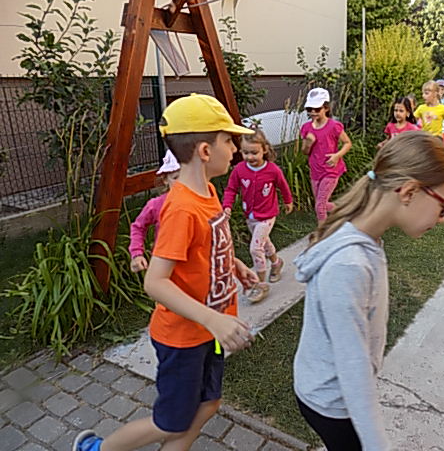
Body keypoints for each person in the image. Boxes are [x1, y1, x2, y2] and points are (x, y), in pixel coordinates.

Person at [73, 94, 259, 451]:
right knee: (170, 422)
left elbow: (205, 247)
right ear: (205, 151)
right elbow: (155, 282)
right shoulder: (181, 208)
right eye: (228, 140)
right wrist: (213, 319)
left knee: (209, 404)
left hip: (208, 331)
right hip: (184, 339)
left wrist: (233, 265)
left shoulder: (207, 191)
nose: (235, 149)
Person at [293, 132, 444, 450]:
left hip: (324, 389)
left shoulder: (365, 240)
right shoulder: (349, 264)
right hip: (332, 402)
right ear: (409, 191)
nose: (442, 220)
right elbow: (352, 367)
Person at [223, 128, 294, 304]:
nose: (250, 157)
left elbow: (283, 186)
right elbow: (231, 189)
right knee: (265, 242)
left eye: (254, 153)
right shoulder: (239, 170)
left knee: (255, 248)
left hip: (267, 215)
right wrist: (227, 206)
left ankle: (260, 284)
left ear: (264, 150)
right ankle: (276, 263)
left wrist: (288, 201)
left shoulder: (272, 170)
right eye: (245, 153)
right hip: (250, 216)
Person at [301, 87, 352, 224]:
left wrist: (337, 156)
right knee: (321, 203)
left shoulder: (334, 126)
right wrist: (308, 143)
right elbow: (305, 152)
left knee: (319, 207)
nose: (313, 112)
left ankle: (322, 233)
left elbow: (347, 143)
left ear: (326, 108)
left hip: (330, 170)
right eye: (309, 109)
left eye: (317, 109)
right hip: (315, 171)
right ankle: (344, 210)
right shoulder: (306, 128)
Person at [129, 150, 180, 273]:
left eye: (187, 177)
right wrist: (137, 254)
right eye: (176, 177)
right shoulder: (156, 205)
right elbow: (138, 227)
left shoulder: (201, 200)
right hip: (164, 265)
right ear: (165, 179)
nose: (182, 183)